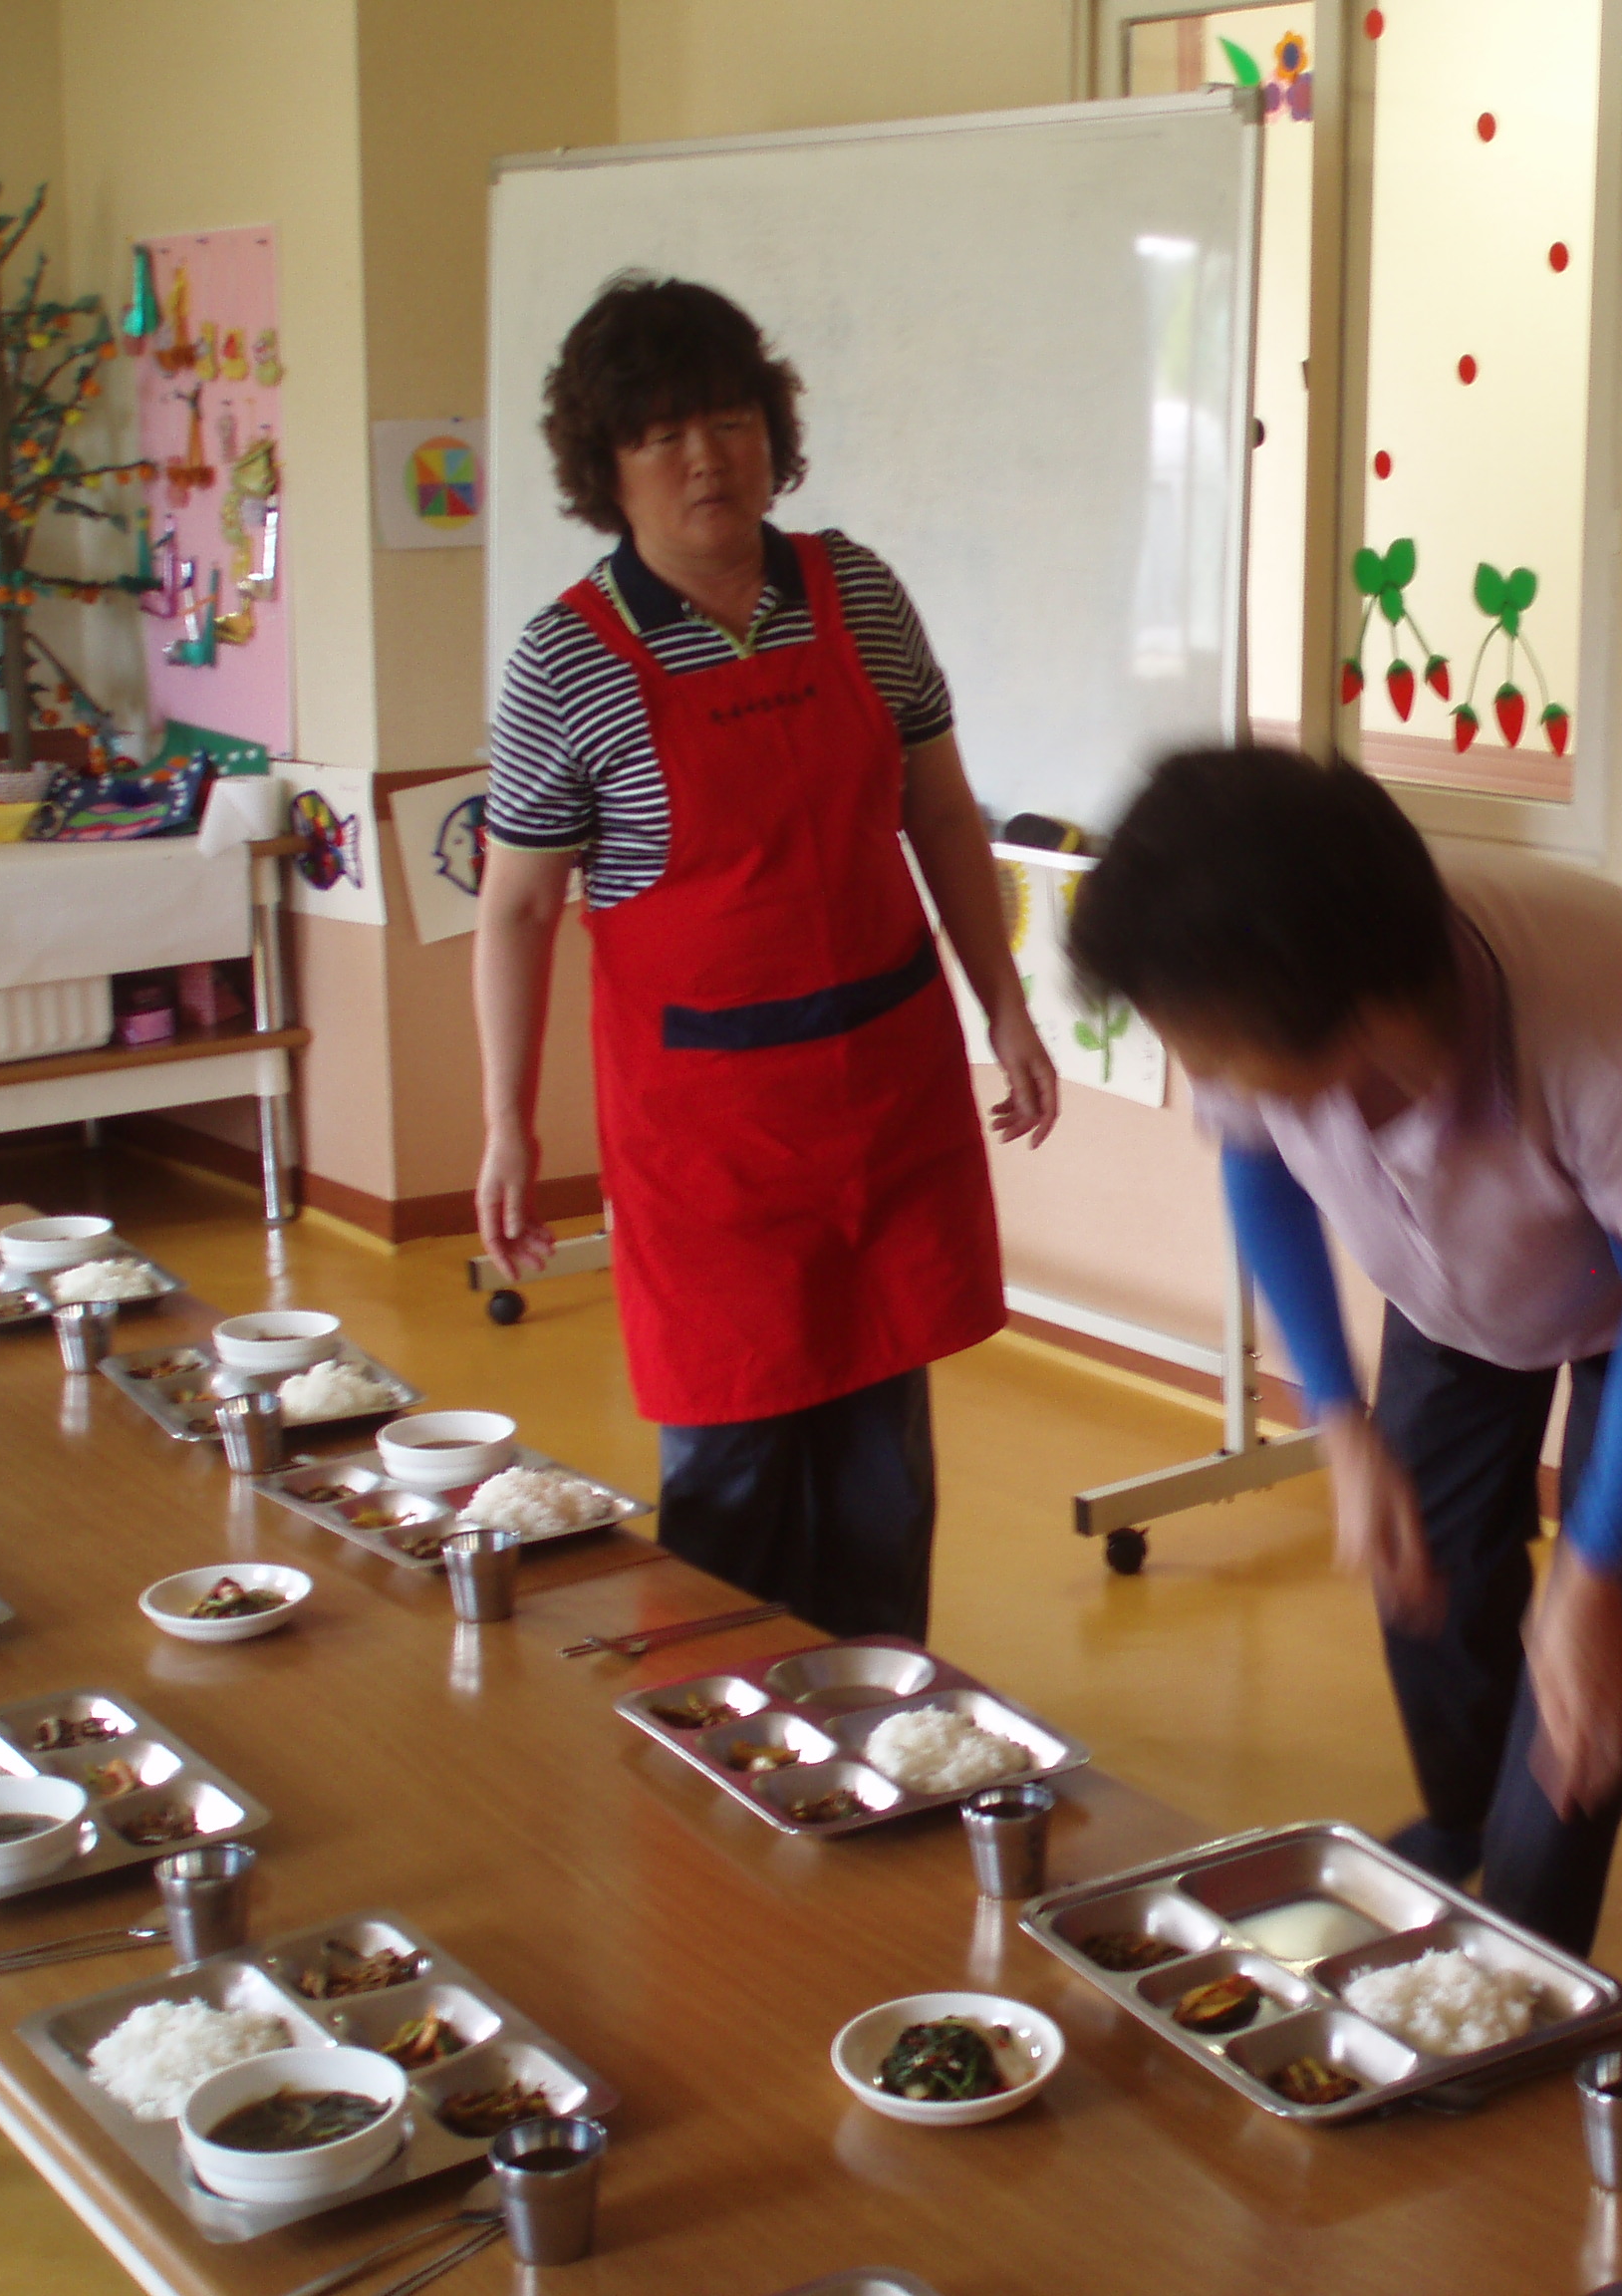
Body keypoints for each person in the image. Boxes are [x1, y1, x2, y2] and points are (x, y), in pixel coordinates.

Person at [1066, 747, 1622, 1954]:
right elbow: (1259, 1169)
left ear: (1364, 1023)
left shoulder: (1607, 1033)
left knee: (1589, 1645)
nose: (1197, 1074)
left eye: (1212, 1054)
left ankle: (1516, 1962)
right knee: (1426, 1566)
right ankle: (1464, 1825)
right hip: (1459, 1275)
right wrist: (1341, 1422)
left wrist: (1594, 1577)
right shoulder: (1263, 983)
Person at [475, 274, 1055, 1641]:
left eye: (730, 420)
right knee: (731, 1477)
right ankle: (729, 1742)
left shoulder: (857, 590)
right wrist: (506, 1125)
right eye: (662, 433)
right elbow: (516, 911)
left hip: (887, 1097)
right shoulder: (566, 661)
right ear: (606, 466)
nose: (705, 458)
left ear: (772, 433)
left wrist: (1007, 1008)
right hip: (713, 1142)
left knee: (881, 1473)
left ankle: (878, 1713)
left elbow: (939, 812)